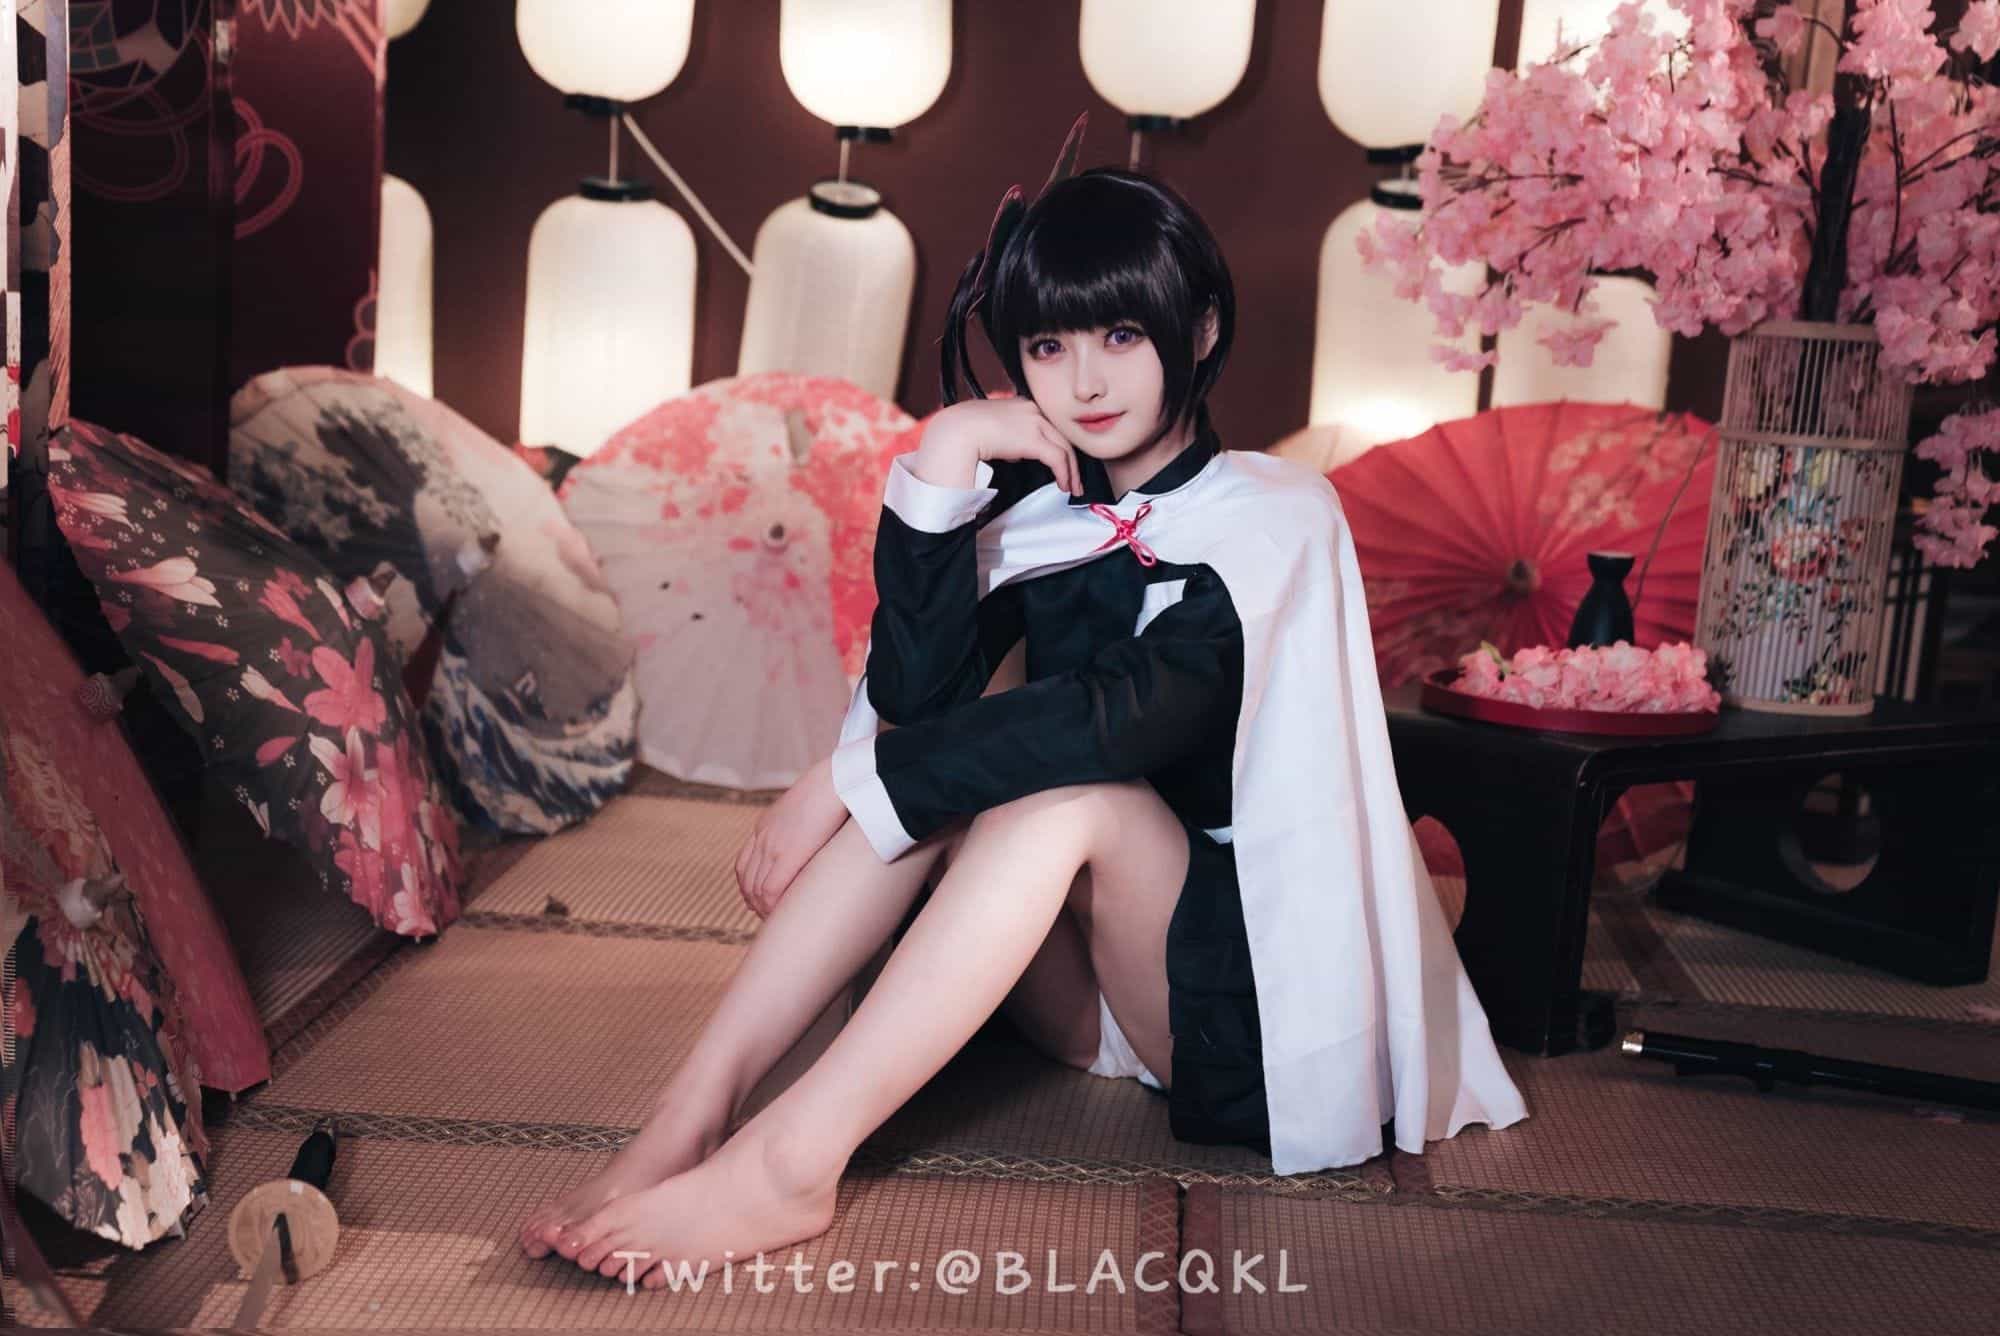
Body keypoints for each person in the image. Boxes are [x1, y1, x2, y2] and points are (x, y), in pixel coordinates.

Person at [518, 116, 1527, 1290]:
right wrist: (948, 452)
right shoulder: (1034, 509)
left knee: (1062, 794)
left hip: (1232, 1002)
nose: (1083, 381)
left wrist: (838, 779)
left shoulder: (1275, 519)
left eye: (1119, 335)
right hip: (1077, 993)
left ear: (1199, 331)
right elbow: (910, 698)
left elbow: (1109, 720)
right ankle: (683, 1121)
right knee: (950, 780)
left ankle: (790, 1161)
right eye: (1047, 345)